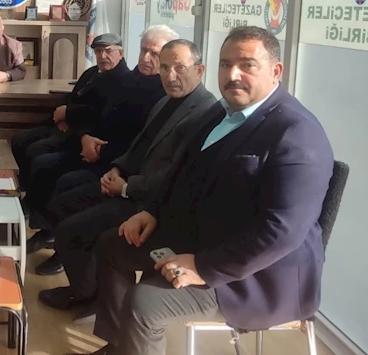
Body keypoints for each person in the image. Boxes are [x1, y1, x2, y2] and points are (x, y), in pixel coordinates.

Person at [77, 26, 334, 355]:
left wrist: (204, 266)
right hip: (200, 236)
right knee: (112, 245)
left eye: (247, 65)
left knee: (146, 302)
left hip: (254, 274)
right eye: (226, 64)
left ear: (276, 71)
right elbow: (181, 169)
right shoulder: (222, 111)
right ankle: (120, 347)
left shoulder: (297, 134)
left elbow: (281, 232)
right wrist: (151, 211)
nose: (233, 74)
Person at [34, 39, 216, 307]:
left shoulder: (205, 113)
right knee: (63, 203)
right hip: (126, 183)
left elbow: (175, 176)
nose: (170, 76)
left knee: (71, 231)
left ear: (199, 70)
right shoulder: (165, 102)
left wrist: (127, 188)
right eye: (165, 68)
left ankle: (86, 297)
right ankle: (88, 288)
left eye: (180, 68)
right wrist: (116, 169)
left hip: (150, 205)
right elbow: (138, 147)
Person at [23, 25, 177, 228]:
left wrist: (101, 152)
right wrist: (85, 136)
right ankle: (41, 225)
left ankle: (51, 235)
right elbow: (97, 113)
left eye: (154, 54)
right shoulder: (126, 80)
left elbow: (141, 143)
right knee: (44, 163)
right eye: (143, 50)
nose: (146, 58)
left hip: (117, 162)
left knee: (64, 182)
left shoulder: (165, 94)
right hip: (92, 146)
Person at [10, 33, 129, 186]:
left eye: (108, 51)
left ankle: (33, 196)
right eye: (98, 51)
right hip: (66, 125)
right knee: (19, 140)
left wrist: (68, 113)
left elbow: (97, 112)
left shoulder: (124, 80)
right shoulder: (92, 72)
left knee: (36, 152)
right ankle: (21, 188)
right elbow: (73, 97)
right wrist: (63, 117)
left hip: (84, 134)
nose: (102, 56)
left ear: (121, 53)